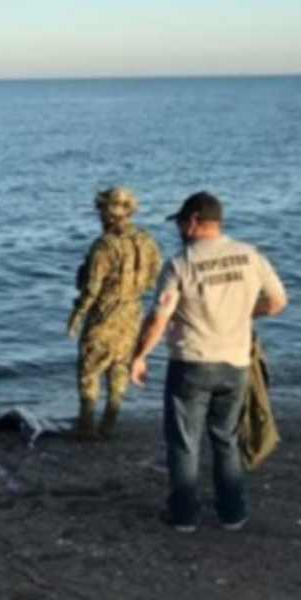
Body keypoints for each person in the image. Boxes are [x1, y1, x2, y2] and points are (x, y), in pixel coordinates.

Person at [130, 192, 287, 532]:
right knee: (226, 438)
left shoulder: (180, 264)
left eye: (181, 223)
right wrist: (246, 314)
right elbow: (277, 301)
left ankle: (184, 515)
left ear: (193, 222)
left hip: (192, 363)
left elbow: (160, 316)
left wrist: (140, 356)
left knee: (185, 442)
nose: (179, 230)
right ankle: (232, 513)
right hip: (235, 363)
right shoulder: (250, 256)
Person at [68, 187, 162, 438]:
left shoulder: (104, 246)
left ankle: (86, 426)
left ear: (106, 213)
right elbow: (155, 279)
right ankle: (109, 424)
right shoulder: (147, 240)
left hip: (105, 314)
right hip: (132, 313)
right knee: (120, 367)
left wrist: (77, 315)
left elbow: (91, 289)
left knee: (89, 369)